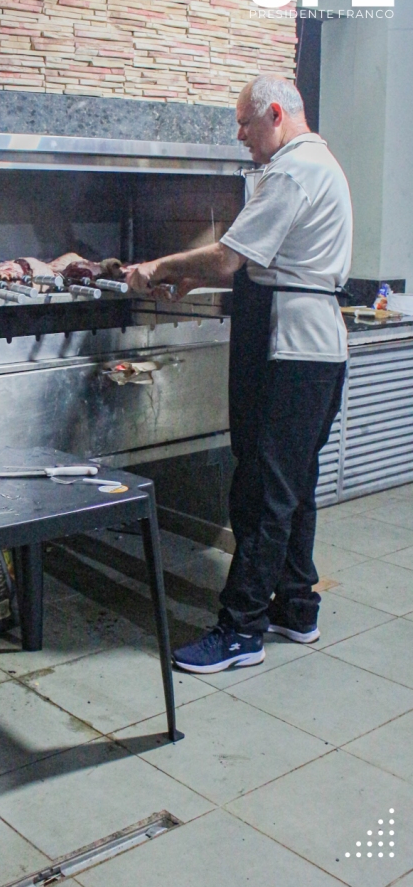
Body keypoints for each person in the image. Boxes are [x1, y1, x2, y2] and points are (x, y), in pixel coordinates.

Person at [126, 74, 352, 674]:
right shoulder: (318, 164)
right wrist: (197, 278)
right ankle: (297, 605)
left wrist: (158, 265)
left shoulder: (294, 170)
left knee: (261, 491)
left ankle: (241, 629)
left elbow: (231, 254)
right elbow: (260, 262)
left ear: (275, 114)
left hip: (291, 347)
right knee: (294, 484)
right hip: (312, 345)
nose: (240, 135)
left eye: (245, 124)